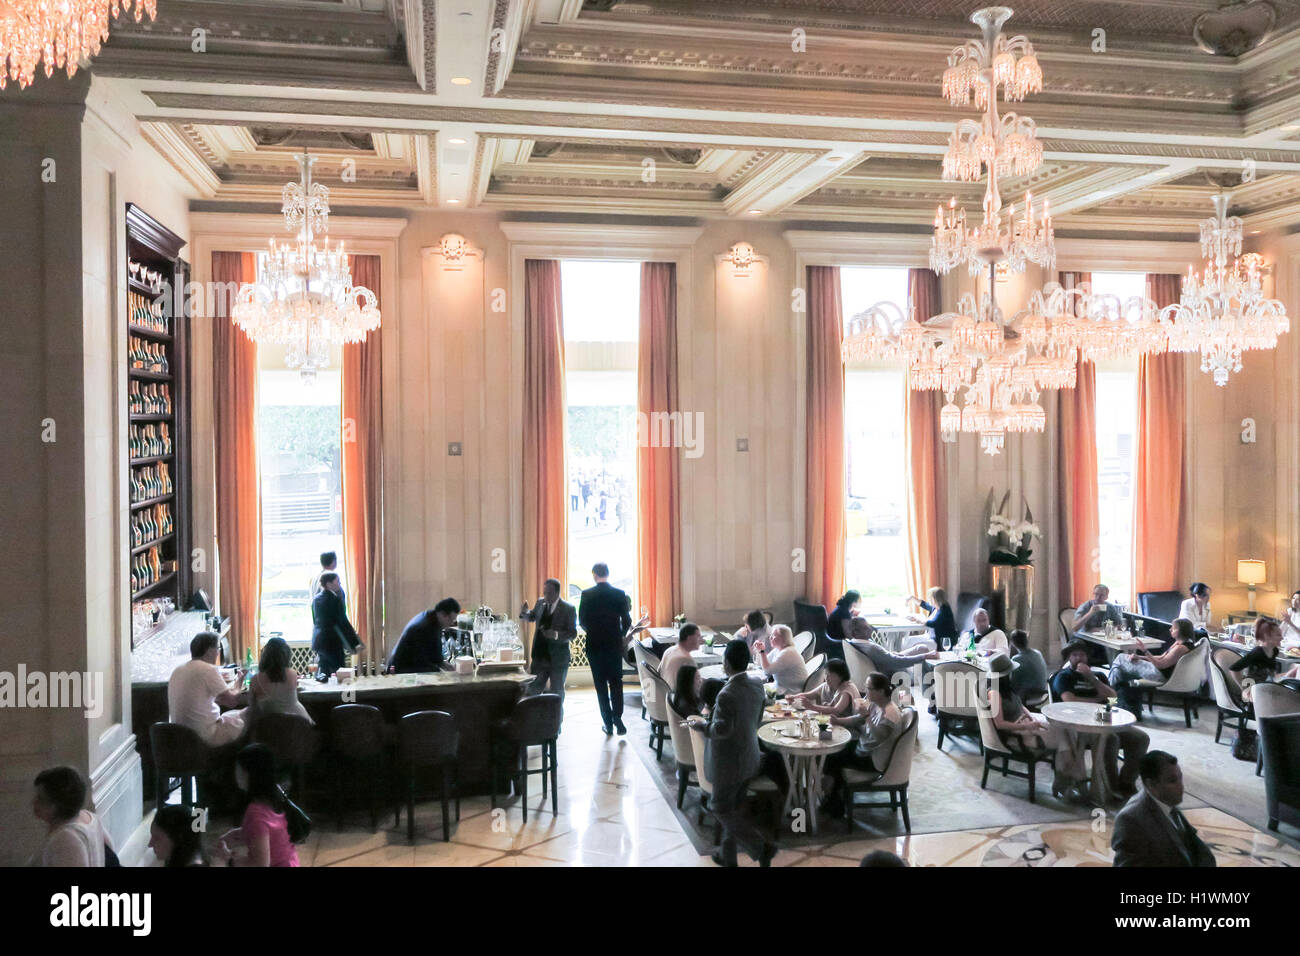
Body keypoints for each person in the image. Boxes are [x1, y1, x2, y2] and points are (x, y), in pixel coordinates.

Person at [686, 639, 776, 867]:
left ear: (726, 663)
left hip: (729, 762)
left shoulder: (726, 694)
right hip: (750, 756)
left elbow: (721, 730)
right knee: (733, 807)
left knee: (720, 807)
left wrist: (701, 726)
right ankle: (728, 855)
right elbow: (756, 720)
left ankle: (761, 847)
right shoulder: (756, 685)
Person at [1051, 641, 1149, 796]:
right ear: (1069, 657)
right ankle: (1110, 786)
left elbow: (1113, 698)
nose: (1079, 658)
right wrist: (1097, 700)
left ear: (1087, 657)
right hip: (1080, 725)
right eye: (1075, 655)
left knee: (1141, 738)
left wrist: (1091, 678)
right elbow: (1070, 701)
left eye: (1082, 654)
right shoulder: (1063, 677)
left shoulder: (1098, 676)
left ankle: (1126, 782)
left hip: (1104, 719)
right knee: (1112, 740)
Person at [1111, 751, 1216, 867]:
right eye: (1172, 781)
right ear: (1151, 784)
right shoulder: (1130, 820)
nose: (1180, 786)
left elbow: (1198, 850)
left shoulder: (1167, 803)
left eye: (1180, 778)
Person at [822, 673, 903, 814]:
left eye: (869, 688)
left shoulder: (890, 712)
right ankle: (836, 796)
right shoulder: (875, 704)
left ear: (881, 691)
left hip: (873, 759)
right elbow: (858, 719)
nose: (866, 691)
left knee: (832, 758)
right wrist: (838, 721)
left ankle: (836, 803)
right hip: (864, 748)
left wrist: (867, 717)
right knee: (831, 751)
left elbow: (879, 737)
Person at [217, 744, 299, 867]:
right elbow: (270, 832)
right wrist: (241, 833)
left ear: (249, 774)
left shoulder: (255, 813)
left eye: (238, 769)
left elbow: (260, 864)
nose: (235, 774)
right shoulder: (276, 798)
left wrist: (229, 859)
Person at [579, 562, 632, 735]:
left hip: (595, 645)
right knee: (616, 683)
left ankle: (607, 723)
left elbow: (582, 621)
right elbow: (627, 620)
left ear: (594, 575)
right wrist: (621, 634)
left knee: (600, 685)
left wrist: (593, 631)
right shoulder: (618, 594)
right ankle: (618, 716)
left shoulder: (587, 594)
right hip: (614, 645)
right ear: (608, 574)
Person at [168, 631, 246, 746]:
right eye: (218, 648)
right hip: (204, 736)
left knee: (233, 716)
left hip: (180, 736)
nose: (218, 652)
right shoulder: (208, 669)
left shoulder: (178, 669)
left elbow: (199, 699)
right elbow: (232, 702)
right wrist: (239, 683)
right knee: (246, 719)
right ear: (209, 651)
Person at [30, 767, 112, 867]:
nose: (33, 802)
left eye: (40, 799)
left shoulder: (66, 837)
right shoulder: (89, 817)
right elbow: (110, 850)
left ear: (56, 805)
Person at [1109, 618, 1197, 706]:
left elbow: (1161, 665)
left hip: (1159, 675)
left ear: (1182, 631)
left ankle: (1110, 697)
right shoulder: (1180, 643)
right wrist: (1139, 657)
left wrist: (1144, 650)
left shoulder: (1180, 648)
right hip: (1157, 670)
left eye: (1174, 628)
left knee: (1120, 660)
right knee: (1119, 669)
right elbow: (1161, 657)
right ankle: (1120, 702)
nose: (1170, 629)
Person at [986, 653, 1059, 753]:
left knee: (1060, 728)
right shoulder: (994, 693)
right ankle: (1065, 763)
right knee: (1059, 737)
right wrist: (1026, 726)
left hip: (1024, 720)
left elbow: (1020, 705)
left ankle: (1065, 762)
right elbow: (1000, 724)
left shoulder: (1007, 687)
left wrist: (1031, 717)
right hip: (1016, 729)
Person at [520, 578, 577, 703]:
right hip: (539, 656)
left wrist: (556, 635)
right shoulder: (540, 602)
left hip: (558, 659)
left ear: (557, 593)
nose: (546, 595)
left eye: (549, 593)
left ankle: (557, 721)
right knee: (533, 691)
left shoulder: (568, 609)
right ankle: (534, 719)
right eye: (544, 592)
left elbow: (572, 634)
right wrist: (525, 613)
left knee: (557, 692)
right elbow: (532, 616)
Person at [848, 617, 938, 680]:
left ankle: (931, 680)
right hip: (894, 672)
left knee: (921, 648)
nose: (870, 629)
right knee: (923, 657)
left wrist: (894, 653)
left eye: (869, 626)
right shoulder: (870, 648)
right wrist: (924, 656)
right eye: (865, 628)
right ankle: (931, 686)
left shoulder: (857, 641)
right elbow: (897, 662)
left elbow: (886, 656)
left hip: (889, 660)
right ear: (856, 633)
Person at [311, 572, 361, 680]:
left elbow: (315, 620)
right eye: (337, 581)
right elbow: (343, 622)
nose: (339, 584)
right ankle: (341, 695)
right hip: (332, 641)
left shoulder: (316, 599)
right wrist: (355, 643)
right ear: (328, 584)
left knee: (323, 672)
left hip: (319, 640)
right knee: (340, 672)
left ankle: (323, 694)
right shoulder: (335, 600)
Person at [250, 636, 312, 724]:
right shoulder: (292, 674)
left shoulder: (255, 679)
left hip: (270, 729)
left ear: (265, 655)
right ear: (286, 655)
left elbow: (252, 707)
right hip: (298, 726)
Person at [389, 598, 460, 673]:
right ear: (442, 614)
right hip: (400, 669)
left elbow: (436, 657)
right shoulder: (424, 627)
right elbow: (421, 662)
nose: (451, 623)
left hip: (410, 665)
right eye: (451, 619)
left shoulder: (433, 619)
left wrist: (447, 666)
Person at [1231, 616, 1299, 688]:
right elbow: (1233, 669)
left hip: (1266, 686)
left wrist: (1290, 674)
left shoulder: (1274, 651)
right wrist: (1243, 689)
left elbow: (1270, 676)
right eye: (1278, 635)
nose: (1282, 638)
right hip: (1254, 689)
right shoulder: (1257, 652)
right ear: (1267, 636)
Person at [792, 658, 860, 716]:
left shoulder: (847, 689)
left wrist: (811, 707)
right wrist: (793, 697)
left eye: (830, 675)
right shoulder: (826, 685)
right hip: (830, 722)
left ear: (841, 676)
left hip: (847, 726)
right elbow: (808, 695)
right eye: (826, 674)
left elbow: (836, 710)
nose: (826, 678)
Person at [755, 624, 808, 694]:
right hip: (780, 686)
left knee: (756, 691)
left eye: (774, 636)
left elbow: (767, 671)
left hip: (790, 691)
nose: (770, 638)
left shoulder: (788, 653)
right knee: (756, 688)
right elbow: (762, 664)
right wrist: (759, 650)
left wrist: (762, 652)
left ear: (783, 638)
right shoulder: (779, 649)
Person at [1008, 629, 1048, 702]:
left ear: (1013, 643)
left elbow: (1014, 683)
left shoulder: (1017, 659)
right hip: (1042, 690)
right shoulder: (1038, 653)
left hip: (1028, 693)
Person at [660, 622, 703, 688]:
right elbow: (696, 687)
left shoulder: (669, 650)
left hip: (666, 692)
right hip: (678, 696)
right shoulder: (686, 659)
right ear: (689, 638)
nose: (701, 639)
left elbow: (659, 672)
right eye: (698, 636)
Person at [824, 590, 859, 660]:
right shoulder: (844, 612)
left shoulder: (841, 608)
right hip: (836, 641)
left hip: (832, 639)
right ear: (854, 602)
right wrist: (859, 642)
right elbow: (847, 634)